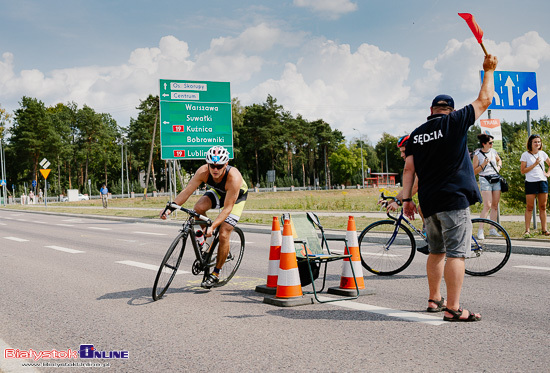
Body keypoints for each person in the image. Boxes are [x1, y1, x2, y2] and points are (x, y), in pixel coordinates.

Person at [402, 54, 498, 322]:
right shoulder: (455, 122)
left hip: (428, 202)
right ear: (451, 110)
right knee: (456, 252)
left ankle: (434, 299)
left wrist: (407, 200)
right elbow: (485, 100)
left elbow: (409, 170)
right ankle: (454, 308)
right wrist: (488, 70)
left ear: (431, 110)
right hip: (453, 200)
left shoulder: (416, 134)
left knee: (436, 251)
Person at [159, 145, 248, 289]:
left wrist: (213, 226)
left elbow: (227, 208)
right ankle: (210, 241)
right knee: (198, 208)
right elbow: (187, 191)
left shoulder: (234, 177)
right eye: (212, 165)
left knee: (224, 232)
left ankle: (216, 274)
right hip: (219, 192)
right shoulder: (203, 171)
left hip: (235, 198)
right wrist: (170, 208)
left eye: (219, 166)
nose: (215, 169)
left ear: (226, 164)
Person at [384, 135, 429, 255]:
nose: (401, 155)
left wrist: (399, 202)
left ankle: (434, 240)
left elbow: (414, 187)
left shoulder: (421, 160)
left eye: (404, 151)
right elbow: (407, 188)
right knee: (422, 207)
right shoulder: (416, 161)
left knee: (423, 207)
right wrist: (393, 200)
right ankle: (430, 237)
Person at [473, 133, 503, 239]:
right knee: (488, 205)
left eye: (492, 142)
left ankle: (492, 229)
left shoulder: (493, 152)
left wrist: (498, 167)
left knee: (495, 205)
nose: (492, 144)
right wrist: (483, 164)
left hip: (495, 179)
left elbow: (499, 160)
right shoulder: (477, 154)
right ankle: (480, 230)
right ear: (484, 143)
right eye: (490, 143)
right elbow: (474, 171)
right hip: (485, 179)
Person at [520, 134, 550, 237]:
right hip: (530, 182)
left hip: (542, 181)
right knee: (529, 207)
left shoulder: (543, 154)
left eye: (539, 142)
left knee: (543, 206)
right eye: (535, 142)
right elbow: (523, 171)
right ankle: (527, 230)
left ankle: (544, 229)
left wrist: (548, 173)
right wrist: (534, 164)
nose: (537, 144)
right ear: (530, 143)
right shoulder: (525, 155)